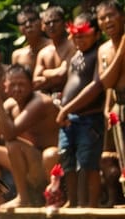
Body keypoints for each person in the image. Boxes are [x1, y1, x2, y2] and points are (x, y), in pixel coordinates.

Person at [0, 65, 60, 211]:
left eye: (21, 84)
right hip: (32, 163)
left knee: (13, 144)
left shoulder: (40, 102)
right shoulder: (9, 104)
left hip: (52, 165)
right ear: (5, 87)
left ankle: (24, 198)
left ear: (32, 85)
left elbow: (9, 134)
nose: (17, 89)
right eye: (12, 85)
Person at [55, 13, 106, 208]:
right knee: (67, 160)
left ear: (96, 34)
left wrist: (66, 108)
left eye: (83, 35)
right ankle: (73, 202)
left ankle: (90, 205)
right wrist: (63, 107)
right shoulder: (75, 56)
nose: (78, 39)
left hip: (89, 118)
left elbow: (96, 86)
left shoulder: (98, 53)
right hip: (69, 117)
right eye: (75, 35)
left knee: (88, 163)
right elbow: (70, 83)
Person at [33, 6, 74, 95]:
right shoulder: (43, 53)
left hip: (70, 94)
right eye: (47, 23)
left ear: (64, 23)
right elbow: (35, 83)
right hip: (48, 97)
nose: (51, 25)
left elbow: (62, 74)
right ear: (43, 27)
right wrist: (55, 76)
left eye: (55, 21)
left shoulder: (73, 45)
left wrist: (44, 73)